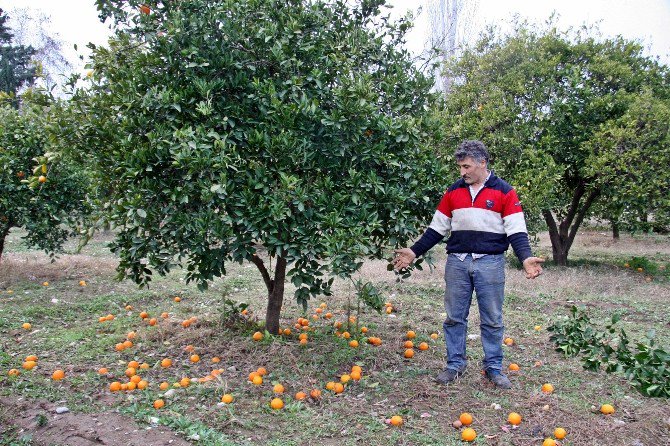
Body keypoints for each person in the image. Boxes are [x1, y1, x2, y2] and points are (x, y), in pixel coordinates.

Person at [393, 140, 544, 389]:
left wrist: (526, 258)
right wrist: (413, 251)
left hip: (490, 263)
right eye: (460, 167)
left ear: (482, 163)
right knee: (454, 317)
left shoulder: (504, 191)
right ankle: (455, 364)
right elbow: (437, 228)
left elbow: (516, 230)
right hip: (458, 263)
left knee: (492, 318)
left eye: (466, 166)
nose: (462, 172)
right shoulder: (454, 192)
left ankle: (493, 367)